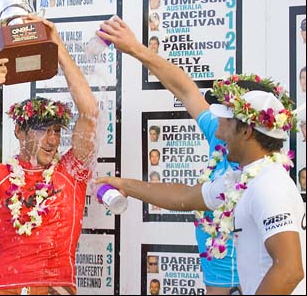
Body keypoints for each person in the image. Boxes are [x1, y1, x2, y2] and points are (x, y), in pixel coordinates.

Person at [97, 17, 282, 294]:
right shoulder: (222, 137)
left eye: (224, 117)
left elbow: (289, 269)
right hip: (215, 280)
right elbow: (185, 89)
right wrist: (136, 49)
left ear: (245, 130)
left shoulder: (266, 180)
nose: (214, 121)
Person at [0, 14, 98, 295]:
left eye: (56, 131)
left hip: (55, 289)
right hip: (5, 289)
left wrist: (57, 47)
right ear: (20, 132)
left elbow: (89, 113)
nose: (52, 140)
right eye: (42, 130)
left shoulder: (71, 170)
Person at [95, 87, 305, 293]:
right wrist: (125, 186)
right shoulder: (243, 178)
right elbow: (184, 196)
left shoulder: (269, 185)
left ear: (246, 132)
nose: (220, 134)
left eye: (227, 124)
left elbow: (289, 270)